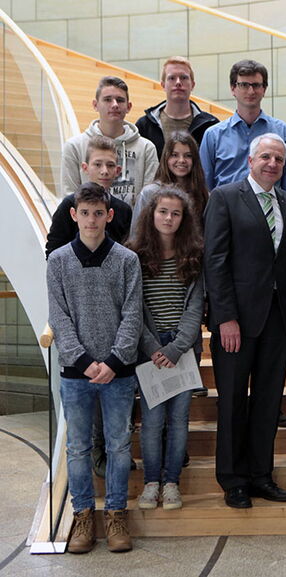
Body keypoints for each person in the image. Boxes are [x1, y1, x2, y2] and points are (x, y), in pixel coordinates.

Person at [203, 133, 286, 509]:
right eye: (265, 157)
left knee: (267, 401)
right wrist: (224, 317)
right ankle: (233, 480)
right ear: (250, 160)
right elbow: (215, 260)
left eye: (278, 158)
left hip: (277, 320)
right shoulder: (225, 198)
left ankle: (261, 475)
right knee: (232, 403)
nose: (272, 163)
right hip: (236, 322)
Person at [47, 182, 142, 554]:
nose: (91, 220)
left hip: (118, 372)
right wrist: (86, 363)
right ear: (74, 215)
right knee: (78, 448)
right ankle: (83, 515)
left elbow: (132, 316)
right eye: (84, 213)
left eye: (97, 213)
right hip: (76, 374)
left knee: (119, 446)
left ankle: (117, 514)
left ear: (109, 215)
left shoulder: (126, 260)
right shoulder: (58, 262)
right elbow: (59, 317)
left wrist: (114, 361)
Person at [127, 187, 204, 512]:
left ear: (184, 218)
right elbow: (133, 307)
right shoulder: (135, 256)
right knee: (153, 420)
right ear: (151, 214)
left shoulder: (194, 254)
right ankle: (151, 483)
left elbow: (196, 306)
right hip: (150, 347)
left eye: (175, 213)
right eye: (163, 212)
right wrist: (153, 346)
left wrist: (176, 348)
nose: (169, 218)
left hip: (182, 348)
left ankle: (171, 482)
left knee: (179, 419)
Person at [199, 60, 286, 192]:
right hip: (227, 209)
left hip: (269, 208)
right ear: (233, 88)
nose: (251, 91)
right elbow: (204, 184)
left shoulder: (283, 131)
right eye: (244, 85)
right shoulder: (213, 135)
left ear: (264, 89)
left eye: (256, 85)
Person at [61, 76, 158, 206]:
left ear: (128, 107)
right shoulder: (74, 146)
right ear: (95, 105)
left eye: (120, 100)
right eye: (107, 100)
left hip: (131, 226)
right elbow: (69, 198)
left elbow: (148, 201)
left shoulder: (147, 148)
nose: (114, 105)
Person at [47, 136, 132, 258]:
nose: (104, 171)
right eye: (97, 164)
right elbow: (53, 252)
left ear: (117, 171)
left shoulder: (124, 210)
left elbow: (125, 254)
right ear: (85, 168)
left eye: (110, 165)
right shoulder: (69, 204)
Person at [136, 56, 219, 158]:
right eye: (172, 78)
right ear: (163, 85)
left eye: (184, 78)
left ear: (192, 85)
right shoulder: (144, 126)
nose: (178, 82)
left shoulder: (210, 125)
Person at [131, 131, 209, 236]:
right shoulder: (149, 193)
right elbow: (136, 235)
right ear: (166, 158)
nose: (181, 160)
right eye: (174, 155)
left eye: (188, 155)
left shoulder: (203, 196)